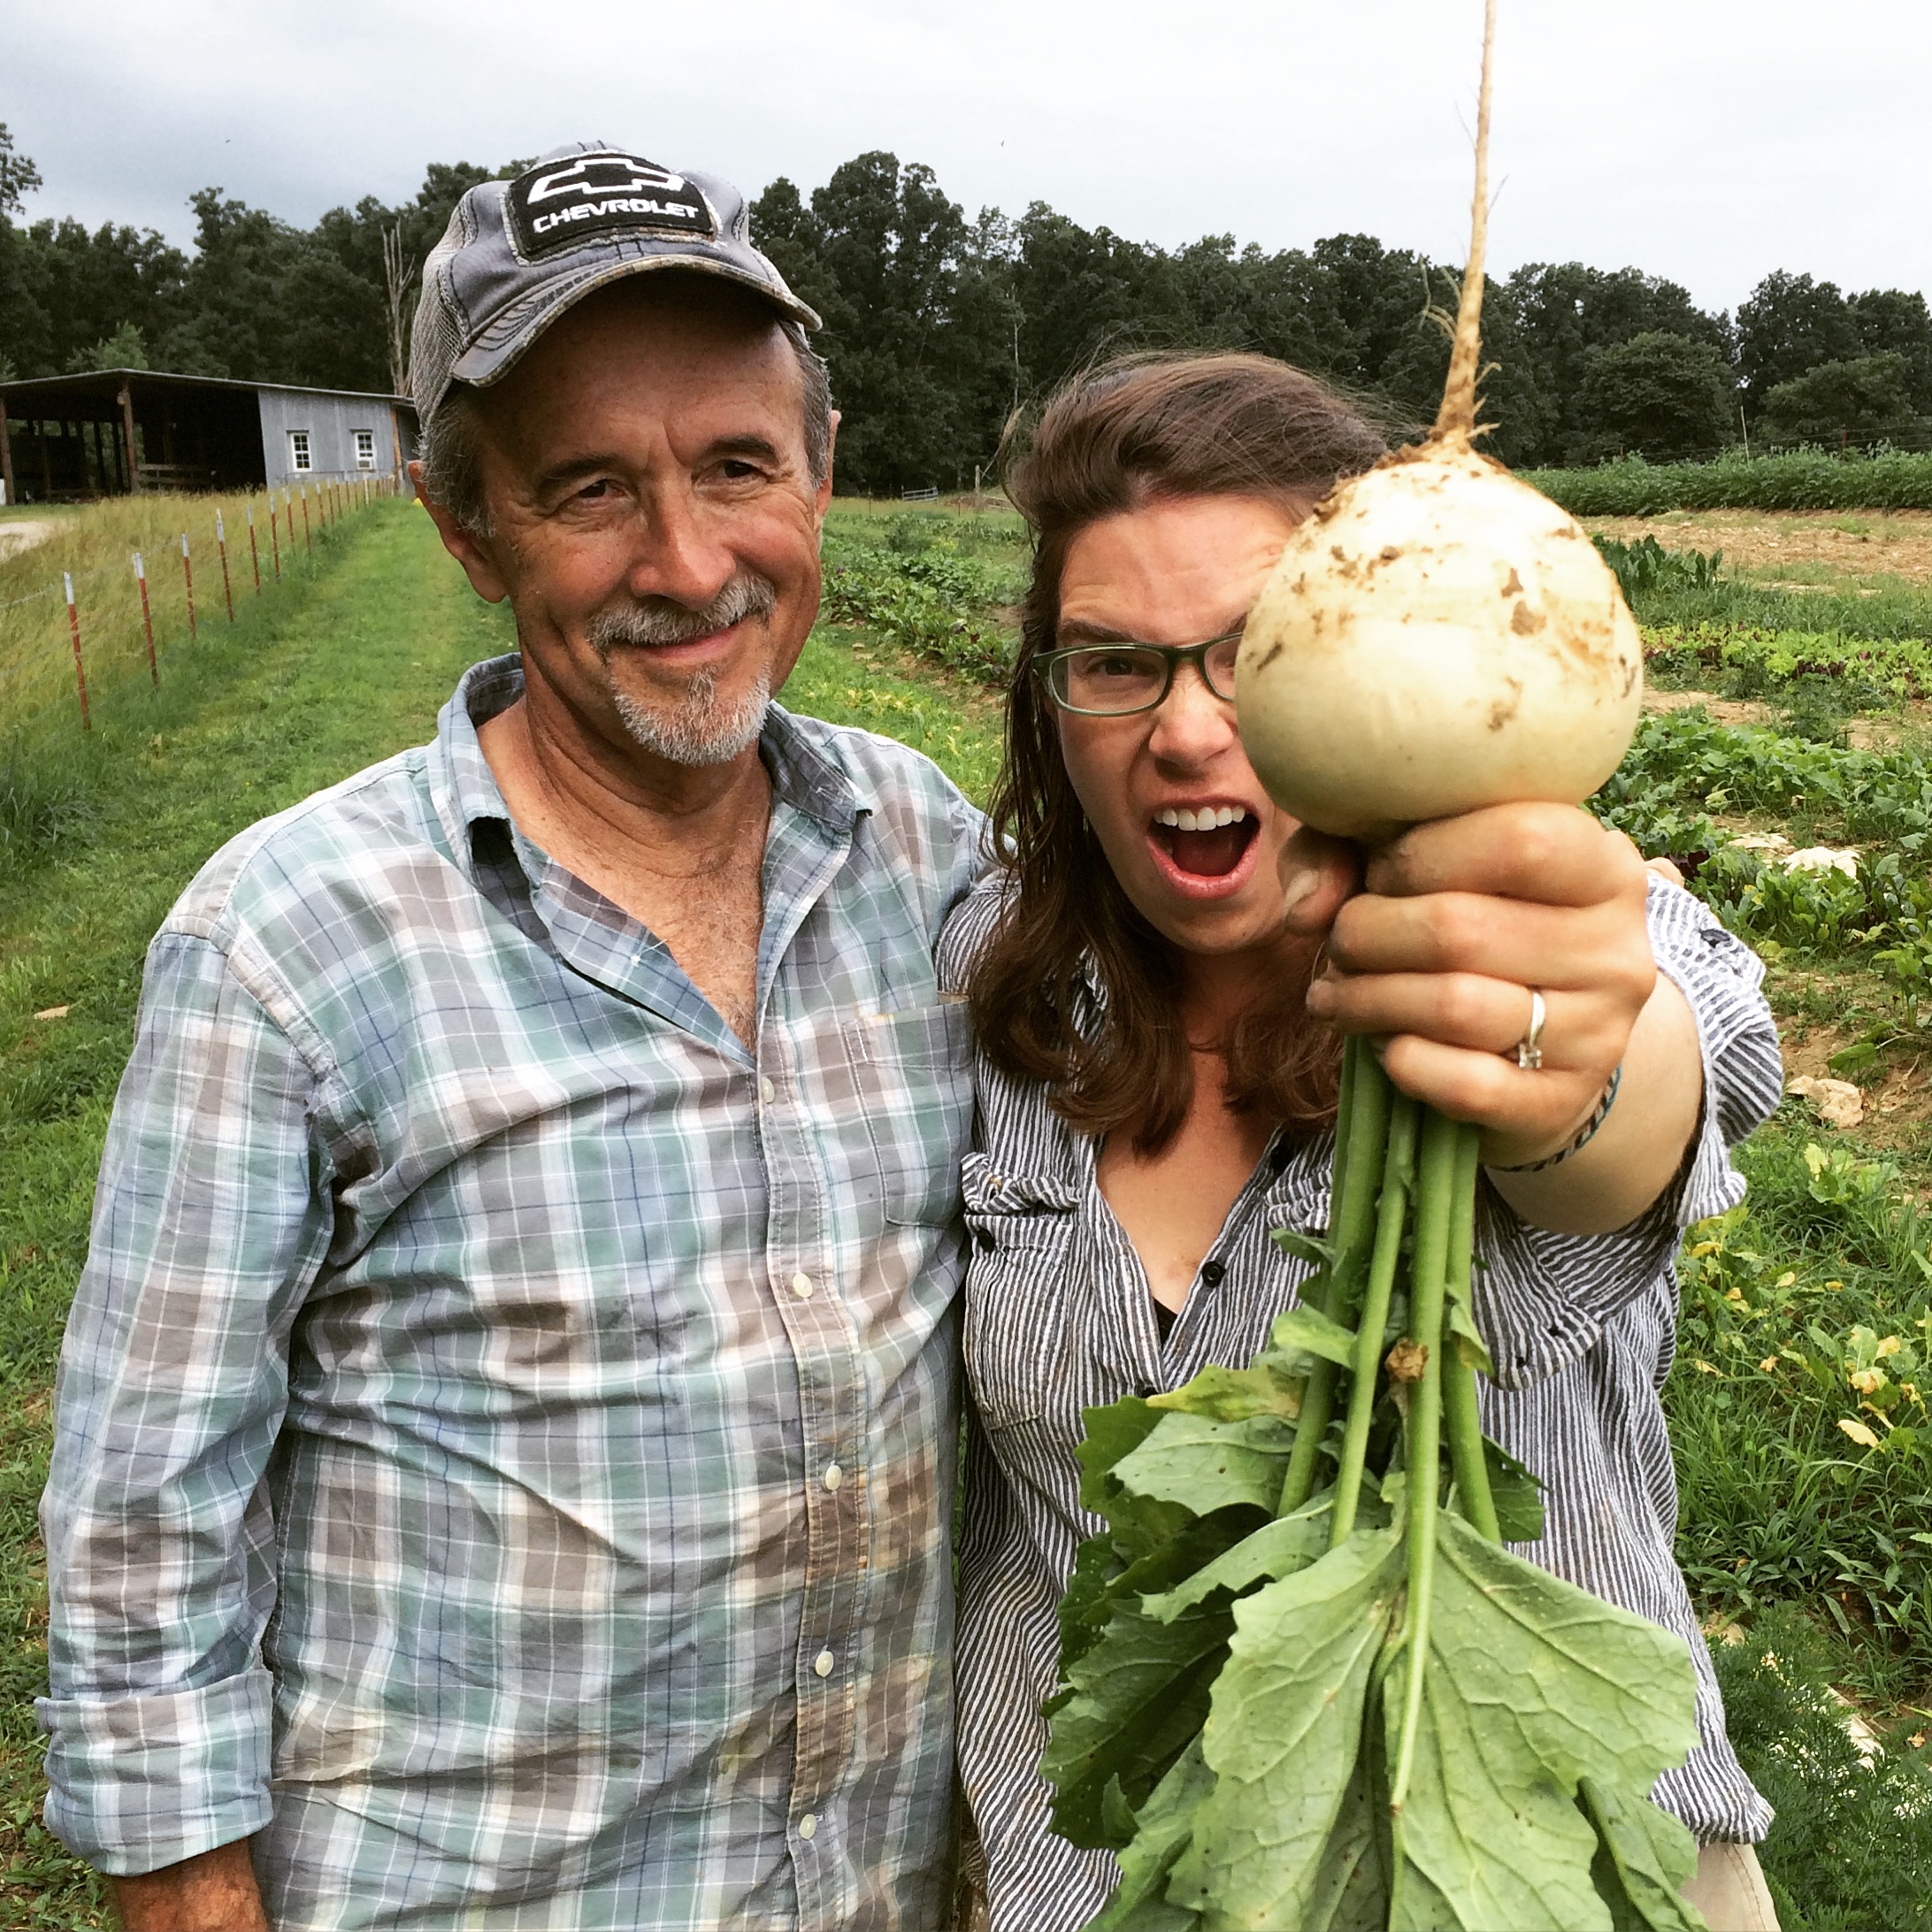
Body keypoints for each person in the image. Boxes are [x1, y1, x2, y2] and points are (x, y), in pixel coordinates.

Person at [39, 143, 984, 1930]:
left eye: (736, 467)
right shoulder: (290, 938)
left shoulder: (927, 851)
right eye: (588, 490)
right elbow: (141, 1523)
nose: (688, 561)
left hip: (872, 1883)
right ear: (462, 525)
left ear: (824, 471)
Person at [942, 354, 1783, 1932]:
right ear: (1049, 707)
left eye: (1248, 655)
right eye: (1112, 664)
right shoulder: (991, 983)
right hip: (1113, 1879)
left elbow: (1637, 1090)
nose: (1189, 731)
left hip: (1542, 1868)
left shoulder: (1557, 940)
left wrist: (1565, 1062)